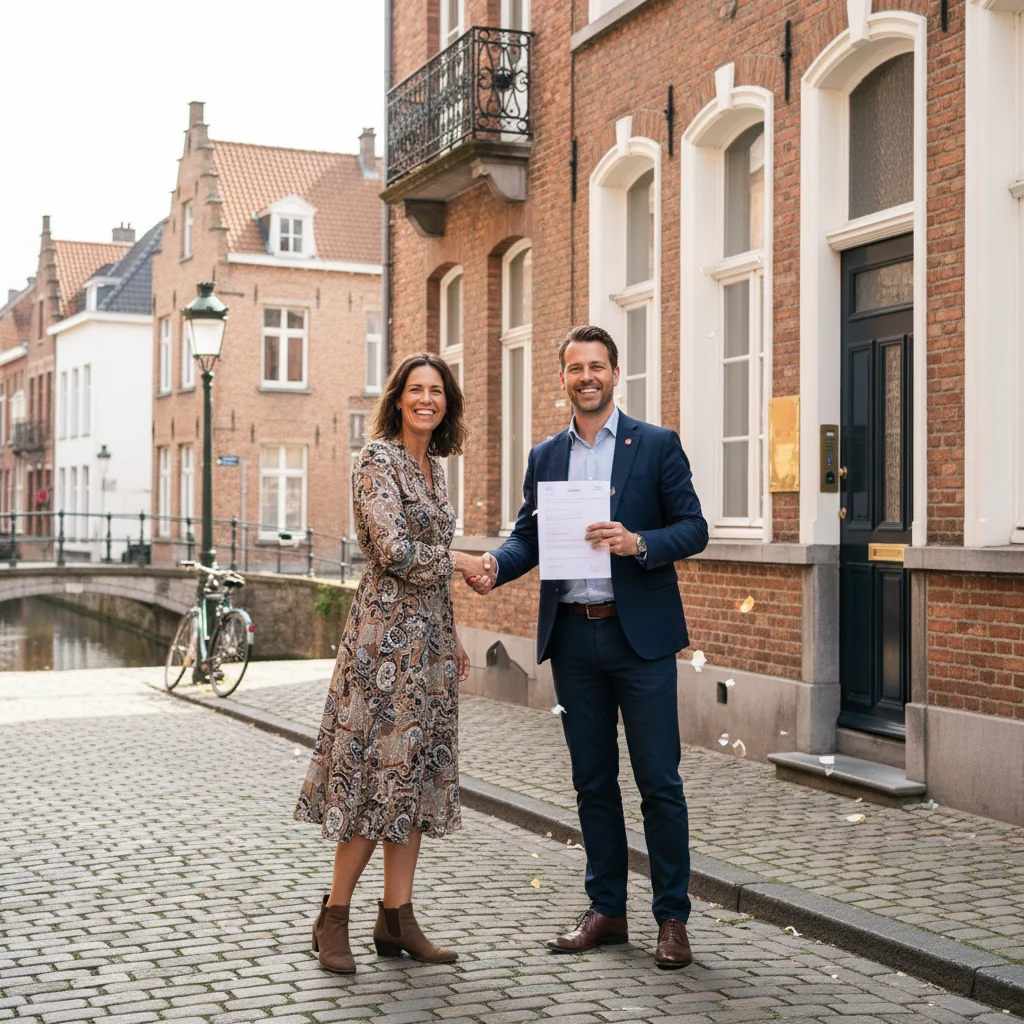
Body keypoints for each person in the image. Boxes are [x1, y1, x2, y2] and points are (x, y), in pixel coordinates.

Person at [467, 324, 708, 969]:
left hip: (641, 640)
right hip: (574, 636)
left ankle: (672, 919)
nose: (587, 377)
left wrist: (640, 543)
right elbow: (530, 538)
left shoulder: (655, 445)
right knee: (592, 780)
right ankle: (607, 909)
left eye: (596, 366)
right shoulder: (546, 456)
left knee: (659, 781)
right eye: (575, 369)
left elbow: (694, 528)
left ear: (614, 373)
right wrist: (495, 565)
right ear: (564, 379)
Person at [294, 352, 488, 974]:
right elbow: (394, 549)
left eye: (437, 391)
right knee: (374, 782)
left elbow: (427, 573)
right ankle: (334, 915)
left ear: (446, 403)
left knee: (416, 782)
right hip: (383, 649)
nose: (427, 399)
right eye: (416, 390)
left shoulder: (434, 470)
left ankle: (397, 920)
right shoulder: (378, 460)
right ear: (398, 399)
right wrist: (459, 559)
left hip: (428, 647)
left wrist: (452, 635)